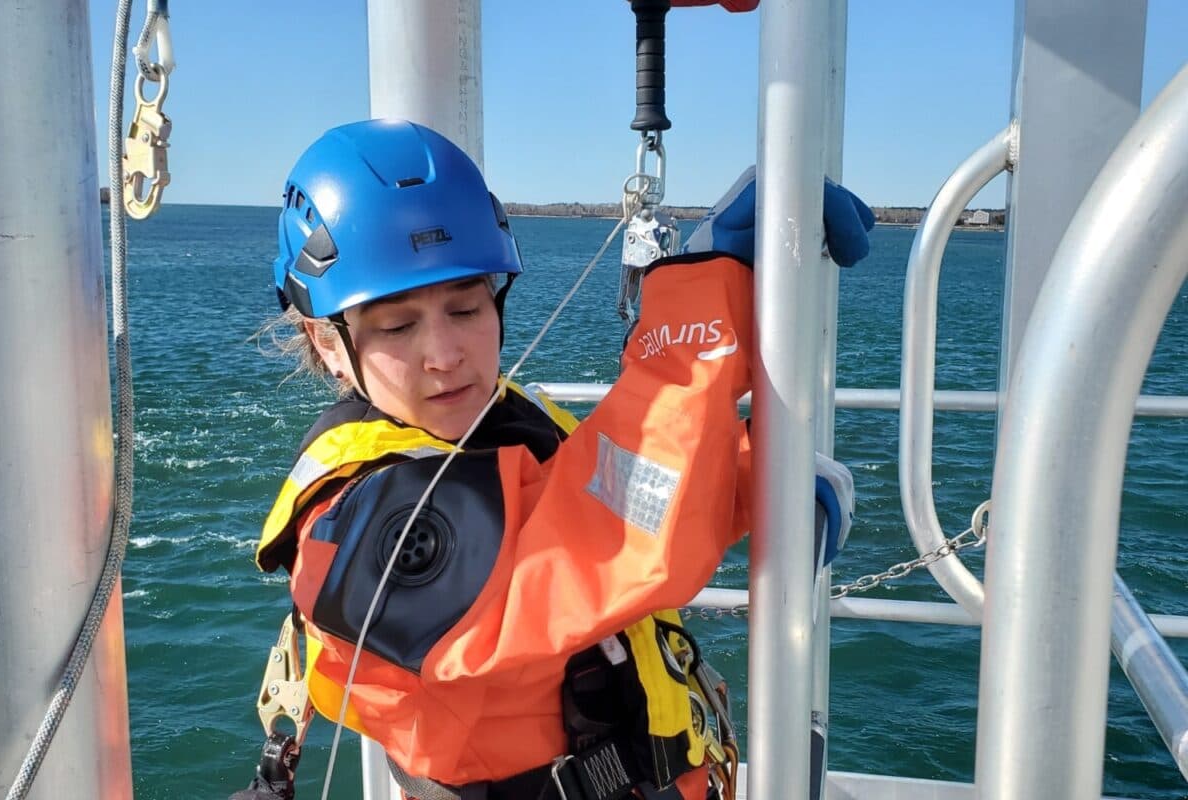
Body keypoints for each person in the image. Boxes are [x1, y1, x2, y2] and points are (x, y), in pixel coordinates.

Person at [244, 118, 871, 800]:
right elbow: (595, 551)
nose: (446, 355)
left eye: (466, 308)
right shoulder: (360, 524)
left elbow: (599, 498)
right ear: (327, 341)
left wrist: (757, 479)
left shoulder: (501, 422)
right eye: (397, 325)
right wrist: (699, 294)